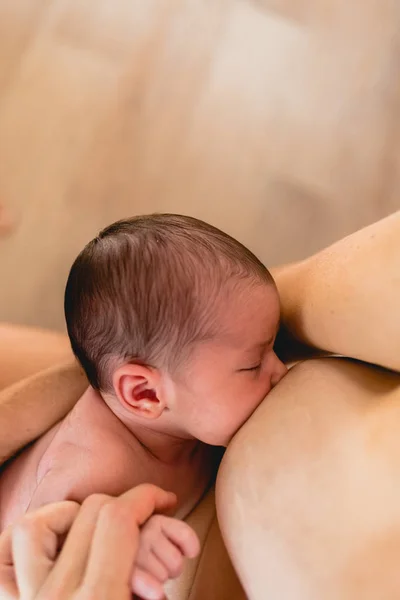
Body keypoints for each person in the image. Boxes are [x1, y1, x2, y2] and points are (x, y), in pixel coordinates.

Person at [1, 211, 399, 598]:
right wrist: (131, 549)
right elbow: (30, 557)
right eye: (253, 364)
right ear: (145, 394)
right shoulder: (90, 473)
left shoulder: (174, 412)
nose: (279, 370)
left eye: (275, 348)